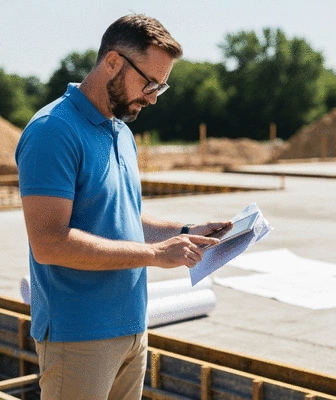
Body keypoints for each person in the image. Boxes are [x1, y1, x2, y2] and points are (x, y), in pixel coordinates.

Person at [15, 14, 231, 400]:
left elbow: (123, 217)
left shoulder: (121, 133)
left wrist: (184, 233)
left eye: (160, 88)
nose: (152, 96)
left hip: (132, 329)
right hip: (79, 335)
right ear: (113, 62)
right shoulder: (53, 130)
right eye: (149, 83)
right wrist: (154, 255)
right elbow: (49, 242)